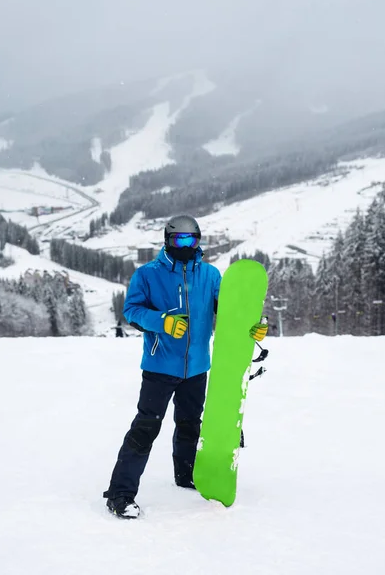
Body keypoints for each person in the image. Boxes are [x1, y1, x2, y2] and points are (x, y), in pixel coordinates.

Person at [103, 215, 268, 518]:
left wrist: (253, 327)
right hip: (159, 366)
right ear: (167, 240)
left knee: (190, 424)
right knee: (146, 428)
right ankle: (120, 494)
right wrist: (162, 321)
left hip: (197, 368)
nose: (185, 246)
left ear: (198, 241)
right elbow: (132, 311)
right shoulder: (148, 275)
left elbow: (230, 312)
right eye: (179, 240)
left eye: (191, 240)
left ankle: (187, 474)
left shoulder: (209, 275)